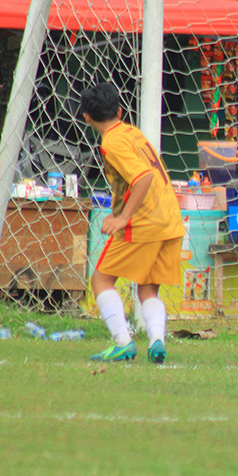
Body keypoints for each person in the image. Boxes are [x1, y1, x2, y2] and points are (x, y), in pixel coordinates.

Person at [81, 82, 184, 364]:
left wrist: (123, 217)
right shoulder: (132, 133)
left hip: (144, 222)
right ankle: (157, 340)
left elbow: (142, 178)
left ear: (86, 117)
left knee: (101, 279)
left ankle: (123, 343)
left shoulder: (112, 142)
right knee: (148, 287)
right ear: (120, 111)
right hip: (169, 219)